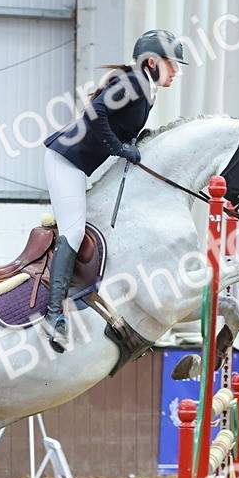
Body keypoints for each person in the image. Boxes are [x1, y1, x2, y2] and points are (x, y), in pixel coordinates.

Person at [40, 28, 186, 352]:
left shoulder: (146, 88)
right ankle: (54, 316)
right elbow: (96, 114)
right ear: (152, 62)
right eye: (172, 64)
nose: (176, 71)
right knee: (74, 232)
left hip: (77, 164)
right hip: (66, 160)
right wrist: (120, 148)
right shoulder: (134, 82)